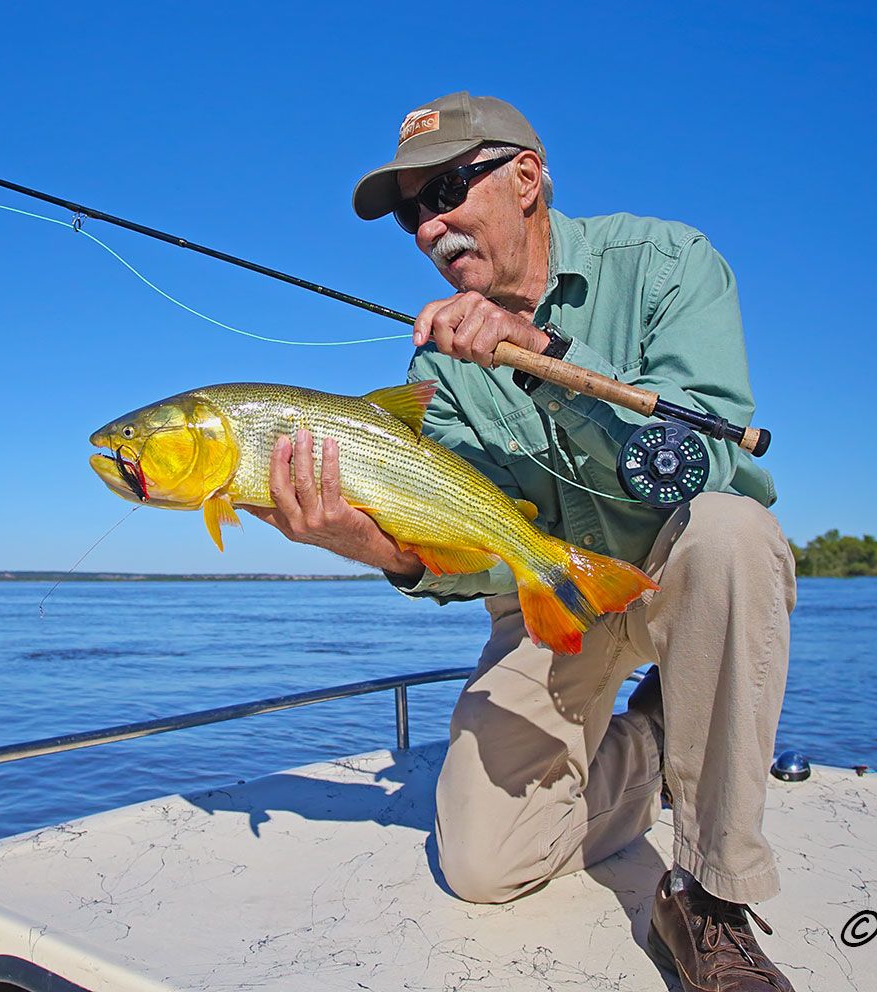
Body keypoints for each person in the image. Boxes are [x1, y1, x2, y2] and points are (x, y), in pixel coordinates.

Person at [247, 92, 798, 991]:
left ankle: (711, 896)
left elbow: (701, 464)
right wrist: (383, 549)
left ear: (527, 178)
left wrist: (543, 360)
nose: (430, 227)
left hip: (678, 569)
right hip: (549, 594)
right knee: (481, 866)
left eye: (447, 191)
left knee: (737, 533)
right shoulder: (436, 368)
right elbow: (478, 546)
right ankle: (653, 742)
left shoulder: (665, 263)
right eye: (412, 214)